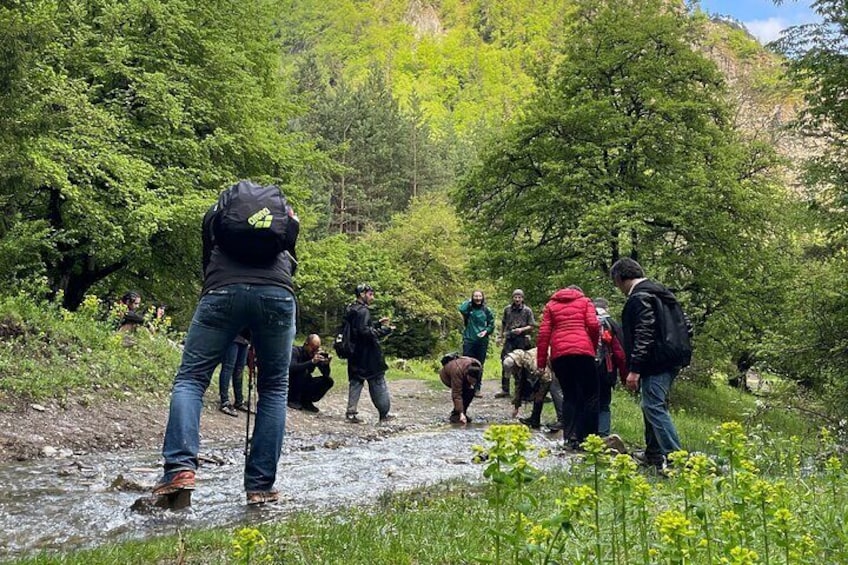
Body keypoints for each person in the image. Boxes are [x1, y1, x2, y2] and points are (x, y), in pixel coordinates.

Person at [153, 180, 298, 506]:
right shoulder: (285, 215)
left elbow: (207, 262)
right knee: (274, 388)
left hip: (221, 289)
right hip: (278, 294)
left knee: (191, 379)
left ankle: (180, 468)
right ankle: (260, 485)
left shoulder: (215, 213)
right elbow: (292, 258)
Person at [611, 258, 692, 470]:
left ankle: (677, 460)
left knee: (653, 405)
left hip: (655, 360)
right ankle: (653, 454)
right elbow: (687, 325)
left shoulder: (639, 298)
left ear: (620, 278)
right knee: (652, 404)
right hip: (673, 357)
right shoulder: (664, 294)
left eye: (616, 283)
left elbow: (644, 333)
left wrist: (634, 369)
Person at [536, 285, 600, 449]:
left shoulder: (551, 305)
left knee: (570, 395)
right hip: (584, 353)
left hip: (560, 355)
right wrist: (591, 347)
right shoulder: (585, 302)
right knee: (590, 395)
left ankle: (570, 438)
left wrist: (541, 363)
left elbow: (543, 334)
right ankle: (590, 438)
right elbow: (593, 325)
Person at [345, 284, 394, 424]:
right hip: (368, 355)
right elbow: (365, 333)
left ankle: (350, 413)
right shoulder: (363, 311)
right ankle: (384, 414)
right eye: (370, 294)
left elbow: (359, 329)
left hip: (354, 353)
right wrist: (385, 330)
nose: (372, 297)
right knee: (377, 380)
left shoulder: (351, 308)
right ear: (362, 294)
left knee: (356, 381)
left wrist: (377, 324)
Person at [592, 298, 627, 437]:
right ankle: (603, 433)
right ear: (606, 308)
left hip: (586, 366)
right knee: (604, 403)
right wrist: (624, 375)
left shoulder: (585, 320)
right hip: (606, 368)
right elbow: (619, 353)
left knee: (587, 399)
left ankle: (586, 432)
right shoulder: (612, 323)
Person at [503, 347, 561, 429]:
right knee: (538, 394)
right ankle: (534, 419)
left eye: (513, 370)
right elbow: (519, 385)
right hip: (546, 370)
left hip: (558, 365)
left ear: (516, 365)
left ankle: (562, 420)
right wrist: (516, 406)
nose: (513, 372)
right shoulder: (522, 362)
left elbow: (547, 379)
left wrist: (540, 394)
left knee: (554, 389)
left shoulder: (533, 362)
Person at [496, 289, 536, 398]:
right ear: (512, 298)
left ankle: (523, 390)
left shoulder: (527, 310)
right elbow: (503, 324)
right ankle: (505, 389)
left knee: (524, 364)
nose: (517, 299)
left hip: (523, 340)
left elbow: (532, 326)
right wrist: (500, 337)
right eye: (515, 297)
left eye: (519, 297)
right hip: (509, 339)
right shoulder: (507, 310)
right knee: (505, 362)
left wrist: (522, 330)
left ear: (522, 298)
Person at [458, 290, 495, 396]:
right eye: (475, 296)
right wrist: (469, 301)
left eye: (479, 296)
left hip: (482, 341)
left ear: (483, 297)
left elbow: (491, 324)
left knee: (479, 364)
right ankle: (466, 386)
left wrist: (486, 331)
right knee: (466, 364)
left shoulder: (487, 310)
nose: (478, 298)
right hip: (469, 339)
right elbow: (461, 308)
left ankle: (477, 388)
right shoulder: (469, 309)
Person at [287, 334, 333, 413]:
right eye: (313, 347)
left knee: (328, 381)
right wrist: (311, 362)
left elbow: (326, 374)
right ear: (306, 344)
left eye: (317, 348)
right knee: (302, 372)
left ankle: (306, 401)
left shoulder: (315, 355)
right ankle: (293, 400)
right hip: (292, 384)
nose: (314, 350)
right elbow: (291, 368)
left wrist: (326, 365)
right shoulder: (295, 351)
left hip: (305, 382)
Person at [439, 355, 483, 424]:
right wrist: (461, 413)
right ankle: (457, 415)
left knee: (471, 392)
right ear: (467, 375)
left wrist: (472, 384)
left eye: (474, 381)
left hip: (462, 374)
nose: (473, 383)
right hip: (447, 376)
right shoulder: (457, 371)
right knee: (461, 392)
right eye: (471, 380)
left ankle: (462, 412)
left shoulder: (478, 366)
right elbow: (456, 395)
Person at [217, 332, 251, 417]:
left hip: (245, 340)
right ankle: (225, 401)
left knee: (239, 369)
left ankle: (239, 401)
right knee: (228, 367)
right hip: (232, 336)